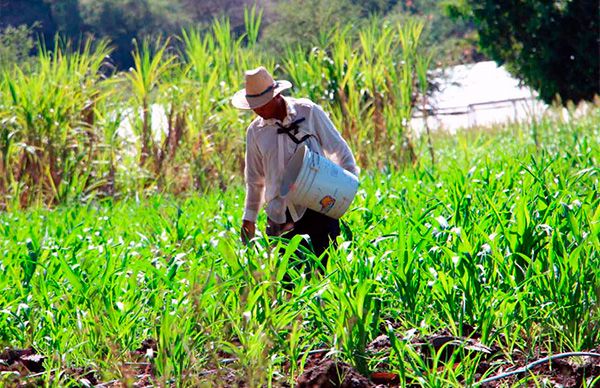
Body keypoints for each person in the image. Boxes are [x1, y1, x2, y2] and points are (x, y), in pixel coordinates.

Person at [232, 66, 359, 263]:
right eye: (253, 105)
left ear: (276, 96)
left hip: (318, 208)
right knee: (288, 285)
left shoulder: (308, 112)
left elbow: (339, 150)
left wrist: (347, 189)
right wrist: (249, 219)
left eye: (261, 104)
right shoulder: (255, 132)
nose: (256, 110)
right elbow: (255, 180)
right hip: (280, 217)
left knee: (324, 276)